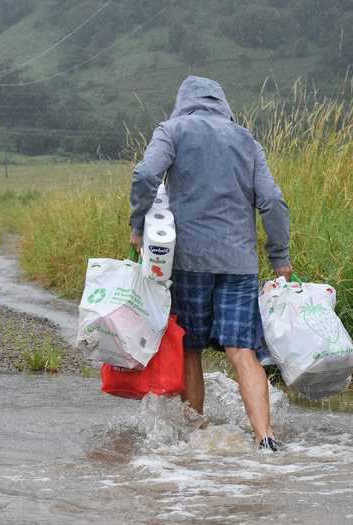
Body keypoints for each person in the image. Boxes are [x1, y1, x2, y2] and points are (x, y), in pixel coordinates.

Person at [129, 76, 292, 451]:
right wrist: (279, 255)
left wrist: (138, 225)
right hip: (239, 263)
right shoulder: (246, 140)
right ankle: (266, 438)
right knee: (242, 351)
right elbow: (272, 201)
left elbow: (145, 174)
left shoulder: (172, 131)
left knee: (191, 348)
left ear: (182, 102)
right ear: (223, 103)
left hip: (189, 261)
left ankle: (196, 438)